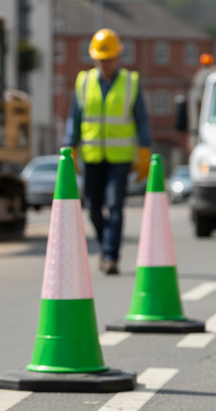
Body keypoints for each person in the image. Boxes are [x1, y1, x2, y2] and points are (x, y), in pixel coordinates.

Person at [65, 28, 152, 275]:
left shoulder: (130, 82)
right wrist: (69, 146)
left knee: (114, 205)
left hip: (120, 158)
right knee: (92, 207)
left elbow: (141, 120)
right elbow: (75, 118)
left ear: (118, 57)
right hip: (92, 156)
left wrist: (145, 150)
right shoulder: (84, 82)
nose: (105, 63)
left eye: (110, 58)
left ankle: (111, 256)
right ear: (94, 58)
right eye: (101, 59)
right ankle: (106, 245)